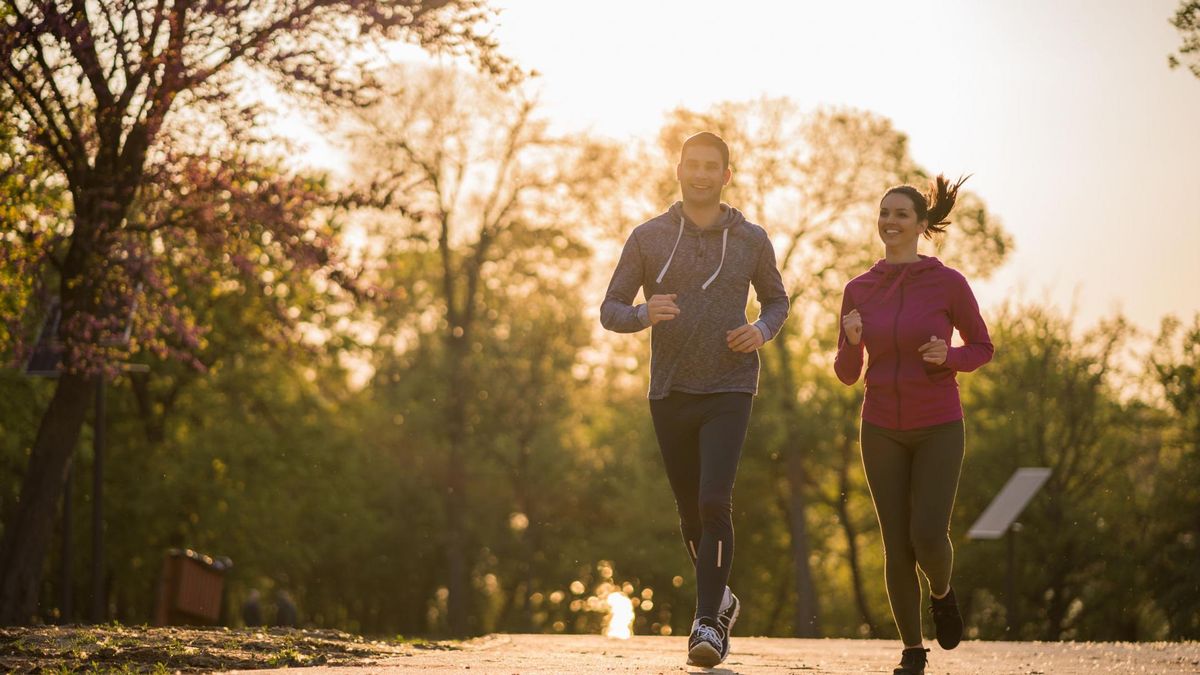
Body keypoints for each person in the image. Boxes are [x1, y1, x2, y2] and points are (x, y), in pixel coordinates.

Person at [601, 131, 789, 667]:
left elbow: (777, 301)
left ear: (727, 175)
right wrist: (642, 315)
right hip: (670, 390)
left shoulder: (752, 239)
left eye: (713, 166)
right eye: (694, 165)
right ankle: (721, 598)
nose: (702, 174)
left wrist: (761, 330)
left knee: (713, 501)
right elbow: (610, 308)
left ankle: (707, 624)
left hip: (731, 386)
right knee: (690, 514)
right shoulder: (648, 237)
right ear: (679, 170)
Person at [835, 175, 993, 675]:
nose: (890, 222)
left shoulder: (948, 283)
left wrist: (950, 356)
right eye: (884, 214)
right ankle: (911, 649)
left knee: (927, 534)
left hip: (939, 423)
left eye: (901, 214)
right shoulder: (859, 288)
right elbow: (845, 374)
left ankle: (942, 593)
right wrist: (853, 340)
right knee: (896, 541)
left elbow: (982, 348)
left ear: (922, 225)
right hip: (880, 425)